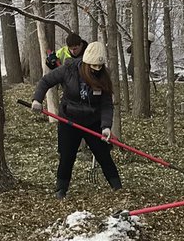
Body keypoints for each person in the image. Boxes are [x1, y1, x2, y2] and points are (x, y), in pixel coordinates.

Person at [31, 39, 121, 198]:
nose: (96, 70)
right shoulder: (69, 69)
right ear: (86, 63)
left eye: (100, 67)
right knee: (67, 155)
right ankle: (61, 190)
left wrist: (106, 126)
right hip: (69, 120)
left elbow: (106, 104)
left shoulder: (103, 77)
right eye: (93, 66)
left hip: (92, 122)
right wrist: (37, 100)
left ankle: (118, 188)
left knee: (103, 154)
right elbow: (46, 81)